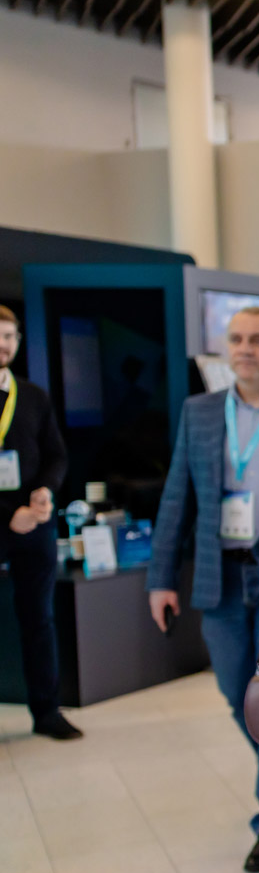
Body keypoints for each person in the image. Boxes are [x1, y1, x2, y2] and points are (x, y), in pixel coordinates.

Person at [149, 306, 259, 873]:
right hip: (219, 570)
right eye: (237, 339)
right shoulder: (199, 411)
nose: (245, 348)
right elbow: (177, 497)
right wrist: (160, 579)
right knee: (234, 690)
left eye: (258, 340)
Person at [0, 306, 80, 740]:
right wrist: (7, 514)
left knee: (39, 619)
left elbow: (56, 455)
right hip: (7, 519)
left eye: (9, 336)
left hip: (35, 524)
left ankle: (47, 712)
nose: (3, 344)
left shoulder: (31, 395)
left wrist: (46, 490)